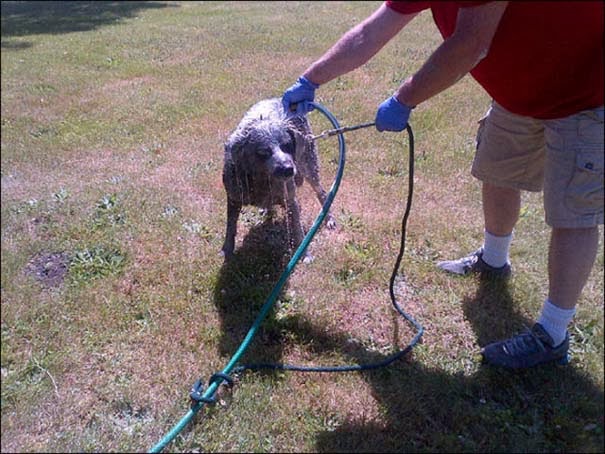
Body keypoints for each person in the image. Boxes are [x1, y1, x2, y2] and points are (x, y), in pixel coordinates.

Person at [281, 1, 604, 369]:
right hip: (521, 92)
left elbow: (470, 44)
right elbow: (372, 31)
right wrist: (311, 79)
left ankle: (553, 334)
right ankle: (494, 261)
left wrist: (405, 99)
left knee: (573, 212)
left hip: (585, 91)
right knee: (497, 174)